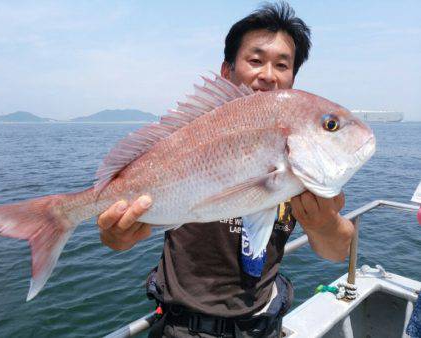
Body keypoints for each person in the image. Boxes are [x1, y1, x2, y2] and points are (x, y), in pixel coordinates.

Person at [98, 2, 355, 337]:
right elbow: (114, 242)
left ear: (292, 78)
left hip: (262, 327)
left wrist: (323, 223)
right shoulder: (189, 136)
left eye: (282, 65)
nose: (268, 74)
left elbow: (337, 250)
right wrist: (114, 234)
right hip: (182, 328)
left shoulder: (302, 157)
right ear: (227, 70)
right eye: (255, 60)